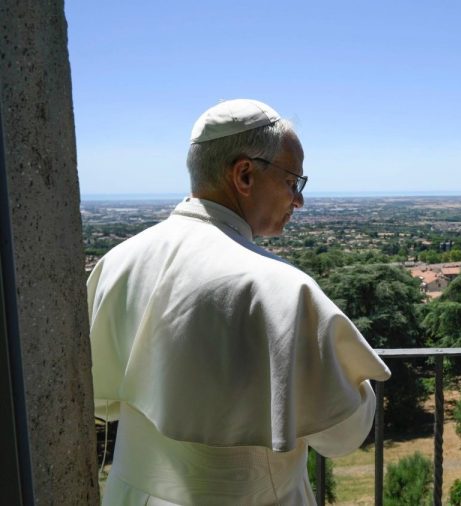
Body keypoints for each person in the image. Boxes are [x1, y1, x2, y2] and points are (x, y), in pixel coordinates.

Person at [87, 99, 391, 505]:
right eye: (293, 182)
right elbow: (343, 434)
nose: (298, 200)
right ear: (244, 175)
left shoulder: (116, 264)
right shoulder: (281, 288)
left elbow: (100, 401)